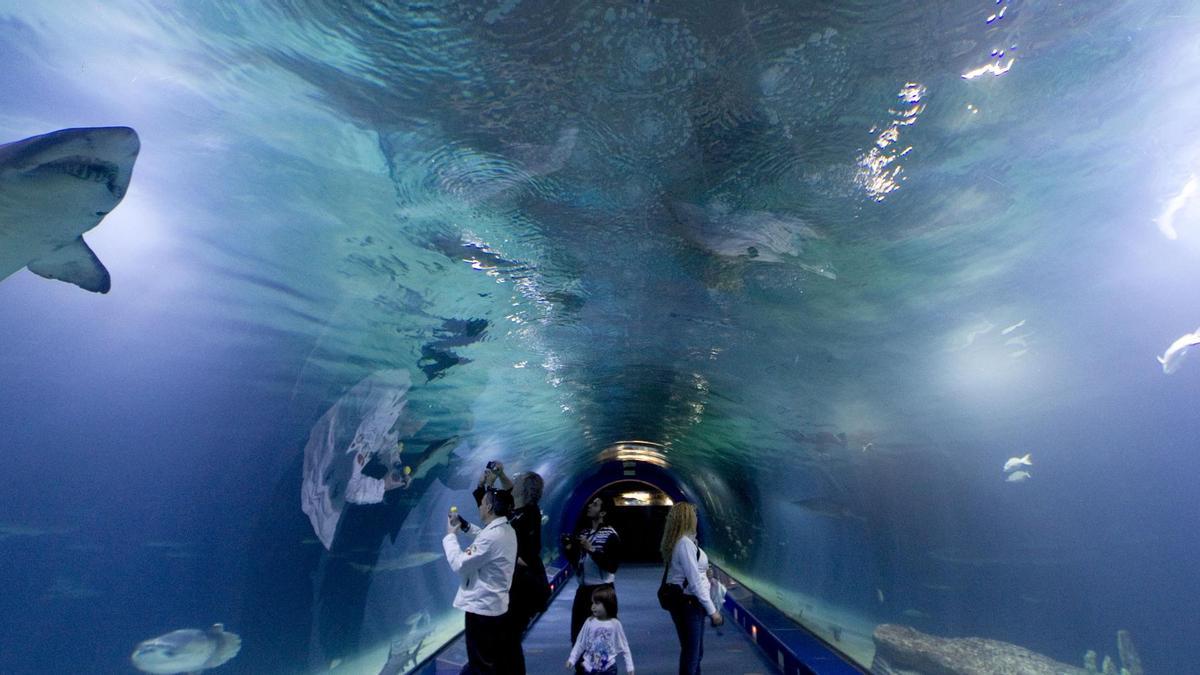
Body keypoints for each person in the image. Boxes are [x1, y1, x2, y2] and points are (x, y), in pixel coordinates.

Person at [460, 461, 549, 674]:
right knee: (507, 640)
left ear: (524, 490)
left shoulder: (529, 514)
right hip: (513, 587)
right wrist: (490, 483)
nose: (512, 481)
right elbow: (493, 507)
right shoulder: (515, 511)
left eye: (517, 481)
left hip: (522, 589)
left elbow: (526, 555)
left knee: (507, 639)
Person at [443, 487, 518, 674]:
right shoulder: (506, 529)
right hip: (496, 607)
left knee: (481, 666)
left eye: (483, 503)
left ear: (490, 507)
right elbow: (484, 538)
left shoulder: (492, 536)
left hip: (482, 611)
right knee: (492, 659)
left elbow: (460, 564)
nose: (480, 508)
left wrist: (451, 535)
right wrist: (465, 525)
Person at [660, 502, 723, 675]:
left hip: (689, 604)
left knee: (694, 652)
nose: (696, 518)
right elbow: (694, 581)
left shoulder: (686, 543)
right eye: (694, 515)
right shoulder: (684, 544)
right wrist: (712, 611)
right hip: (689, 605)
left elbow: (694, 573)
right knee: (692, 654)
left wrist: (706, 575)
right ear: (687, 518)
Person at [564, 495, 621, 645]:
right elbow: (577, 563)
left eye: (595, 504)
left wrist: (591, 549)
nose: (589, 506)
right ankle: (581, 667)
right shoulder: (584, 533)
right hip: (583, 590)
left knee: (602, 639)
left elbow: (612, 566)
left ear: (603, 513)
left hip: (602, 591)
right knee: (578, 636)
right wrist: (569, 549)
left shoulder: (611, 536)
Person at [566, 586, 634, 675]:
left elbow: (624, 647)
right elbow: (580, 642)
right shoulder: (589, 622)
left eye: (597, 603)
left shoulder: (615, 624)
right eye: (592, 603)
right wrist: (572, 659)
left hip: (609, 668)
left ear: (608, 605)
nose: (593, 607)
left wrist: (630, 666)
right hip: (589, 668)